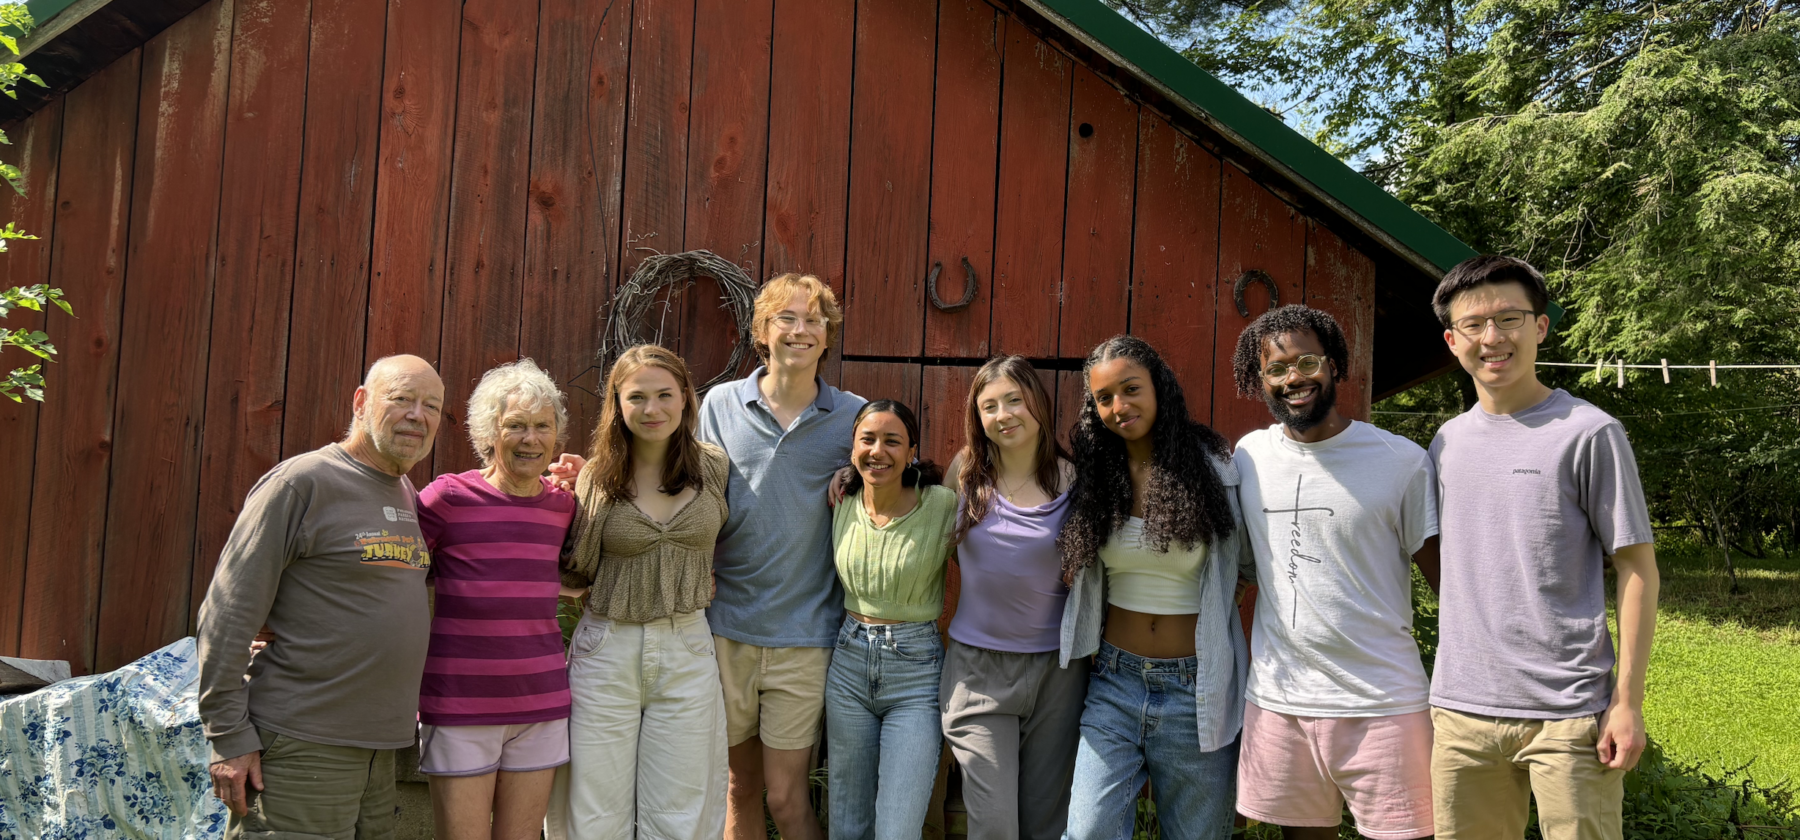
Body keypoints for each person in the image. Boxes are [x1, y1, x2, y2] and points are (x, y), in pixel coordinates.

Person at [1427, 256, 1658, 840]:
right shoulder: (1446, 442)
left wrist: (1626, 701)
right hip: (1461, 710)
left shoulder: (1588, 432)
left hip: (1570, 714)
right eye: (1474, 326)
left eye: (1509, 318)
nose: (1492, 338)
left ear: (1541, 327)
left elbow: (1637, 570)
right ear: (1452, 341)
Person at [197, 354, 444, 839]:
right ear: (361, 402)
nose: (418, 415)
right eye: (401, 399)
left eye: (432, 406)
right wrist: (227, 736)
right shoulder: (302, 484)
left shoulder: (404, 492)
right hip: (302, 744)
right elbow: (228, 612)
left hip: (378, 753)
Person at [1227, 306, 1441, 840]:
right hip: (1281, 702)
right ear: (1260, 381)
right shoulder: (1249, 457)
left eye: (1307, 361)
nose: (1293, 378)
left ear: (1335, 365)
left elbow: (1450, 588)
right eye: (1276, 369)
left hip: (1385, 704)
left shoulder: (1401, 462)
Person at [1058, 335, 1253, 840]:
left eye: (1130, 389)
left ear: (1159, 387)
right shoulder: (1098, 476)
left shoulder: (1215, 470)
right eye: (1104, 398)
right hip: (1114, 682)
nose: (1119, 406)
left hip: (1197, 689)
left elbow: (1248, 564)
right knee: (1087, 832)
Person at [700, 273, 865, 840]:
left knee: (787, 797)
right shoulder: (720, 405)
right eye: (786, 319)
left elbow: (895, 486)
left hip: (806, 635)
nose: (800, 329)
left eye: (813, 320)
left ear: (827, 336)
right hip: (727, 631)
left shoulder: (853, 418)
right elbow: (683, 490)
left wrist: (858, 475)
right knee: (737, 788)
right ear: (762, 333)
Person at [548, 345, 733, 839]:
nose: (652, 409)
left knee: (682, 809)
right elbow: (574, 575)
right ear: (617, 403)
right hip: (608, 648)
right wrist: (553, 504)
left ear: (686, 399)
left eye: (664, 395)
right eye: (637, 397)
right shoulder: (597, 477)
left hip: (688, 647)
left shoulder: (714, 467)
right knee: (593, 808)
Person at [415, 359, 578, 840]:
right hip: (460, 703)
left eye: (542, 427)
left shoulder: (565, 506)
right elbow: (396, 577)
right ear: (490, 432)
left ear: (557, 436)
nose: (531, 439)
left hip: (541, 702)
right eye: (516, 426)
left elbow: (575, 576)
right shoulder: (447, 498)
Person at [938, 356, 1085, 840]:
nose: (1004, 415)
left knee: (1045, 823)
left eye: (1014, 400)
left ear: (1037, 402)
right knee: (995, 824)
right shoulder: (964, 473)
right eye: (989, 406)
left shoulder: (1075, 481)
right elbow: (937, 544)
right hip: (978, 672)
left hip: (1056, 675)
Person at [825, 399, 957, 840]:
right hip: (847, 665)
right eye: (868, 439)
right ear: (853, 447)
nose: (877, 450)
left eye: (892, 441)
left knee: (898, 828)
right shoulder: (841, 499)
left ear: (911, 451)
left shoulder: (940, 505)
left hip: (915, 671)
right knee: (848, 822)